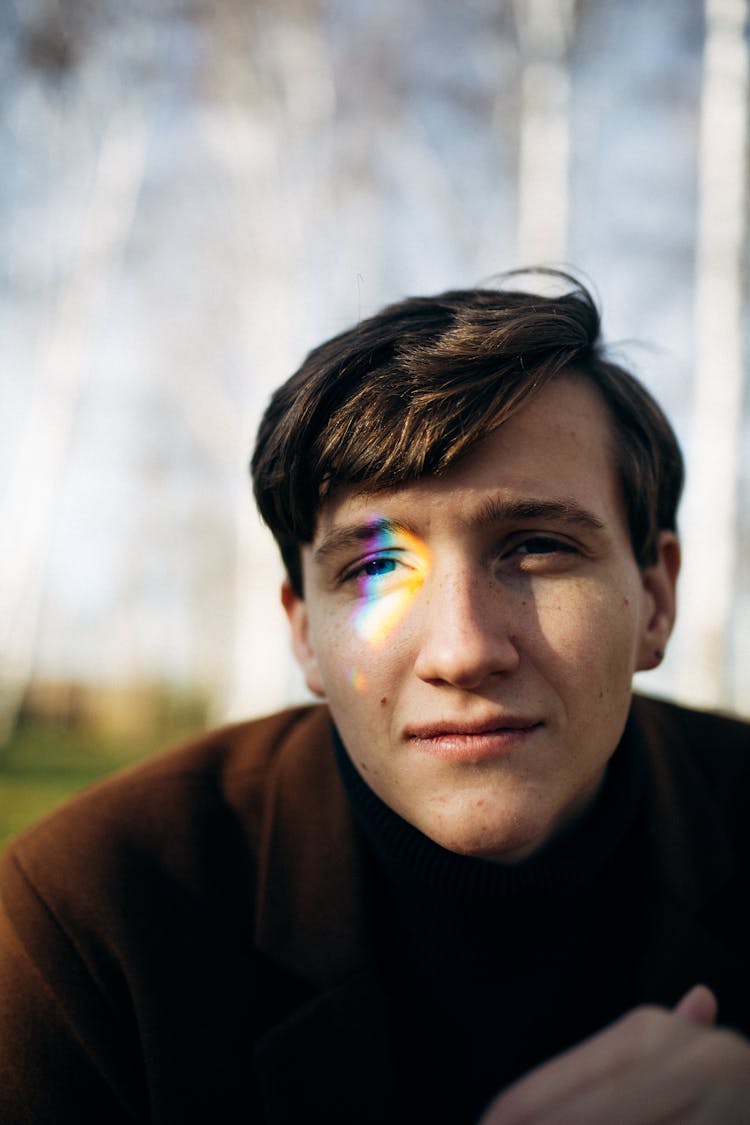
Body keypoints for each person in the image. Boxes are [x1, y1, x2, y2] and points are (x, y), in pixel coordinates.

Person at [1, 271, 749, 1124]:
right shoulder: (91, 918)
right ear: (303, 634)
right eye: (376, 567)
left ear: (656, 598)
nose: (463, 649)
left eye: (537, 546)